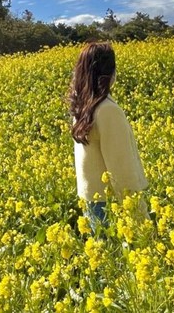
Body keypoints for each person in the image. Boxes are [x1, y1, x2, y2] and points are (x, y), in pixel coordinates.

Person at [68, 42, 149, 234]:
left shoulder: (82, 106)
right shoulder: (108, 110)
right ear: (110, 73)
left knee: (104, 257)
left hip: (92, 199)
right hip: (111, 204)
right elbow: (121, 168)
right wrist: (138, 213)